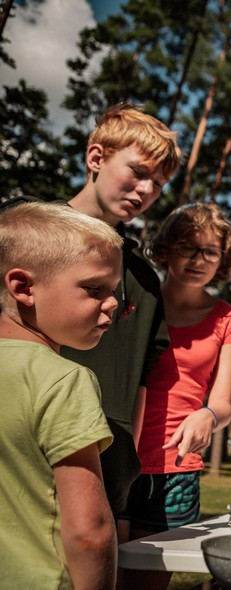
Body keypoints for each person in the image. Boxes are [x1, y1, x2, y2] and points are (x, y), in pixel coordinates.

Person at [56, 103, 180, 539]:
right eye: (138, 172)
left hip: (106, 471)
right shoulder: (24, 233)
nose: (146, 190)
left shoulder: (143, 278)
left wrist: (126, 468)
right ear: (96, 157)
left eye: (158, 184)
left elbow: (142, 375)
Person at [122, 203, 231, 589]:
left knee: (144, 584)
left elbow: (223, 404)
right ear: (165, 250)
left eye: (210, 251)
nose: (198, 260)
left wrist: (208, 415)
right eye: (187, 247)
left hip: (174, 471)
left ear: (223, 259)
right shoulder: (135, 302)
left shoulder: (230, 321)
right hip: (114, 458)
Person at [0, 202, 121, 589]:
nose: (114, 302)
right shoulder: (64, 380)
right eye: (94, 289)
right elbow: (89, 532)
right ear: (24, 288)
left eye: (114, 290)